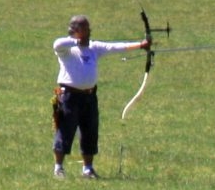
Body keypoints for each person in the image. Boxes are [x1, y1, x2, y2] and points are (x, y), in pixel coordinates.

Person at [50, 14, 147, 178]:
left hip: (89, 97)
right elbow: (57, 43)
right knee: (65, 131)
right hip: (69, 97)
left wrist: (141, 45)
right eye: (82, 28)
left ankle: (88, 169)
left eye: (86, 28)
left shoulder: (94, 48)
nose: (87, 31)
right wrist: (76, 40)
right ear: (74, 30)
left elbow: (116, 47)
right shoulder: (66, 49)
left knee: (90, 131)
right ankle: (58, 167)